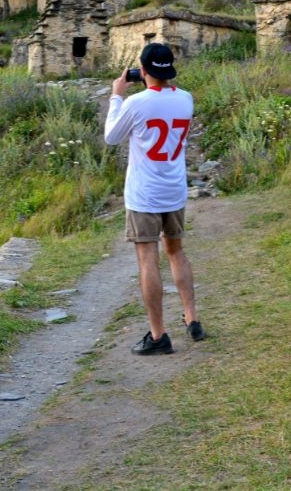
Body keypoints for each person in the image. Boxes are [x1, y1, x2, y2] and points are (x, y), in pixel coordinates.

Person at [104, 43, 204, 356]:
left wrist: (116, 96)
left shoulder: (136, 103)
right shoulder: (186, 99)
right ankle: (192, 319)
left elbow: (111, 137)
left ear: (142, 71)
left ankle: (158, 335)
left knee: (148, 259)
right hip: (174, 189)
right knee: (176, 251)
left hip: (144, 193)